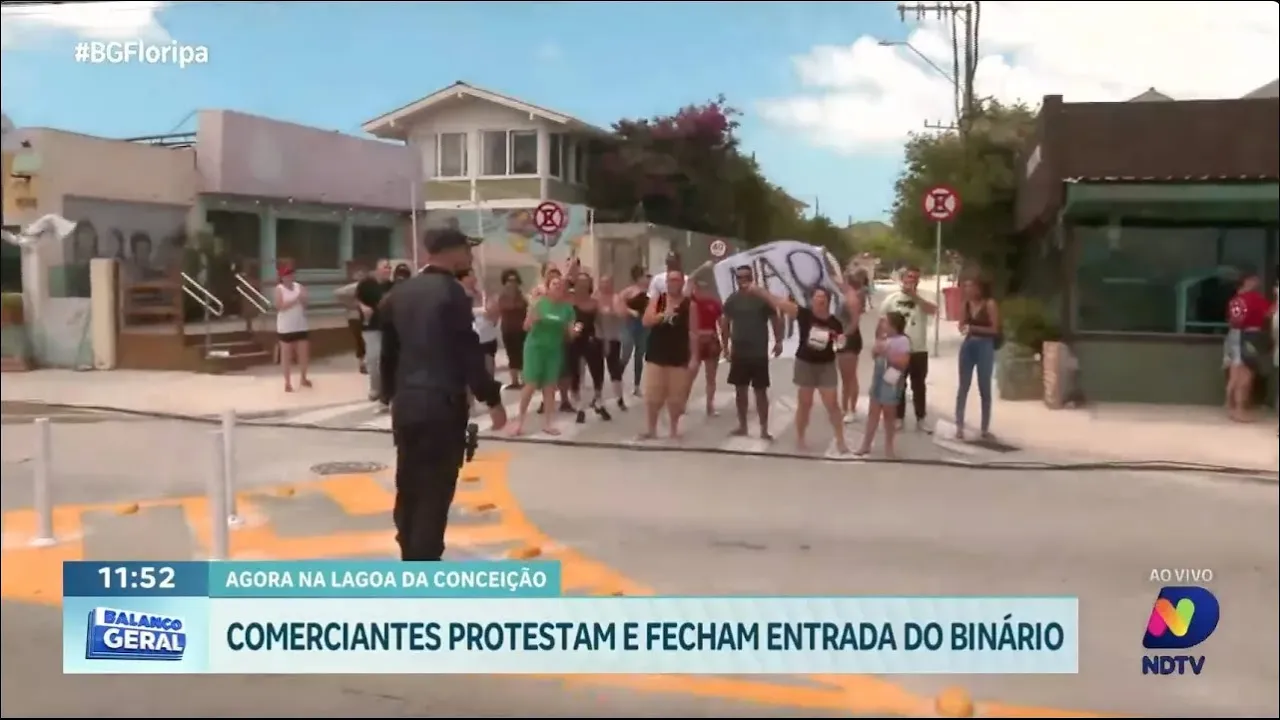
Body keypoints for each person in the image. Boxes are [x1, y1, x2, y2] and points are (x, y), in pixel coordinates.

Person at [378, 227, 504, 562]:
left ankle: (409, 554)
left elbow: (388, 354)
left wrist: (389, 394)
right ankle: (424, 565)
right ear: (451, 251)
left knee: (409, 484)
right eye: (467, 249)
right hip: (441, 407)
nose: (470, 255)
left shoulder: (400, 293)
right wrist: (491, 398)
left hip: (406, 404)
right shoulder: (452, 294)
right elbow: (467, 352)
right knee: (435, 491)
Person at [749, 284, 850, 455]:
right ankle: (800, 437)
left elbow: (840, 345)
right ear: (812, 300)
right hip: (805, 364)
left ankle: (841, 440)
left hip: (826, 366)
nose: (820, 300)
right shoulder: (804, 315)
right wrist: (759, 291)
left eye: (823, 297)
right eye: (817, 297)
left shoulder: (835, 323)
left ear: (828, 301)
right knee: (805, 403)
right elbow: (779, 302)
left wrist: (841, 340)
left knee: (832, 405)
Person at [511, 273, 577, 436]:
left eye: (561, 285)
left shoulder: (567, 309)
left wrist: (576, 331)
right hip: (535, 348)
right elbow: (526, 327)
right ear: (548, 287)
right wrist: (533, 317)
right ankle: (519, 423)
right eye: (555, 284)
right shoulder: (539, 303)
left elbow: (570, 334)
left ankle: (548, 424)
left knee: (550, 386)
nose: (558, 287)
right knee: (531, 385)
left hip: (554, 349)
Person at [722, 265, 783, 439]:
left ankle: (764, 429)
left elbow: (775, 318)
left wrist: (778, 341)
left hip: (758, 352)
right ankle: (743, 426)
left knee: (760, 391)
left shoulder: (762, 298)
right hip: (739, 352)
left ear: (752, 277)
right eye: (740, 277)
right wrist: (725, 347)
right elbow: (725, 323)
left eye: (747, 277)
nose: (743, 280)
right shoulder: (732, 300)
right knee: (740, 391)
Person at [639, 270, 699, 440]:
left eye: (676, 280)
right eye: (670, 280)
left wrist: (694, 357)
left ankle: (673, 429)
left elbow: (693, 332)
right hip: (657, 353)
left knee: (676, 397)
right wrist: (663, 315)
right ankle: (651, 429)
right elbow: (646, 321)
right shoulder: (659, 300)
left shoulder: (690, 305)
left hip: (679, 355)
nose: (673, 283)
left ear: (682, 282)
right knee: (653, 395)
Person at [879, 266, 936, 431]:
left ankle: (921, 418)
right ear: (902, 279)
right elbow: (882, 323)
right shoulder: (891, 299)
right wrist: (881, 344)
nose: (911, 280)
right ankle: (899, 417)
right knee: (898, 384)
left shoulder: (924, 297)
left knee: (919, 386)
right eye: (909, 277)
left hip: (918, 349)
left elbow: (932, 311)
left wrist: (914, 296)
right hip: (897, 350)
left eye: (915, 277)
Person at [855, 312, 912, 459]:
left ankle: (889, 448)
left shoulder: (903, 341)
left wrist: (887, 353)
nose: (882, 324)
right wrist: (876, 350)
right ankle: (866, 445)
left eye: (885, 322)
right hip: (878, 377)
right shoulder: (883, 338)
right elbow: (874, 355)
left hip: (891, 379)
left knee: (888, 415)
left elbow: (904, 362)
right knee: (873, 413)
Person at [954, 278, 1001, 441]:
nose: (968, 289)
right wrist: (963, 327)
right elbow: (961, 324)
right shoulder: (966, 305)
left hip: (985, 346)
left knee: (984, 387)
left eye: (971, 286)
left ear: (980, 288)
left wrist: (973, 328)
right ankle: (959, 426)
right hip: (968, 345)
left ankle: (984, 428)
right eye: (965, 286)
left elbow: (994, 329)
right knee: (963, 387)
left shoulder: (989, 304)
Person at [1224, 270, 1269, 422]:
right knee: (1246, 375)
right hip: (1248, 336)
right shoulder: (1254, 298)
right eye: (1255, 280)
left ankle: (1231, 406)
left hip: (1236, 335)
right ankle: (1239, 409)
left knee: (1235, 373)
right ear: (1248, 281)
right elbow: (1269, 313)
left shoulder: (1235, 300)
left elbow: (1233, 321)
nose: (1258, 283)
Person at [567, 274, 612, 422]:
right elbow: (567, 320)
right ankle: (579, 406)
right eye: (579, 283)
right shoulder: (569, 301)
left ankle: (598, 401)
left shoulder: (594, 302)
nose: (582, 286)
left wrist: (605, 342)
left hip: (591, 340)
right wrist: (571, 331)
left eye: (586, 283)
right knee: (576, 374)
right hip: (573, 339)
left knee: (597, 371)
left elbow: (600, 323)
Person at [356, 260, 393, 407]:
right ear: (377, 269)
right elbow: (356, 298)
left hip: (388, 326)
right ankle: (375, 388)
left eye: (389, 267)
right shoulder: (367, 284)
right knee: (374, 358)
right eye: (385, 267)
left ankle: (386, 390)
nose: (388, 270)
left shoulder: (392, 286)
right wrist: (363, 307)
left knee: (387, 360)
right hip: (370, 326)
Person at [836, 269, 869, 422]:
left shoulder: (852, 299)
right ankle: (844, 408)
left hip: (849, 338)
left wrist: (842, 337)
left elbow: (855, 323)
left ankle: (851, 409)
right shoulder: (843, 297)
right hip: (843, 338)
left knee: (850, 377)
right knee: (845, 377)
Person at [690, 279, 726, 416]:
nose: (702, 292)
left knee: (711, 377)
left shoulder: (713, 303)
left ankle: (710, 406)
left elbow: (721, 322)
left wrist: (723, 341)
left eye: (705, 289)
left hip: (711, 340)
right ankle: (682, 403)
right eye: (699, 289)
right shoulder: (690, 303)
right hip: (696, 341)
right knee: (690, 375)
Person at [274, 261, 311, 392]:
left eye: (291, 274)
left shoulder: (299, 287)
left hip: (300, 324)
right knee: (286, 355)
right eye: (287, 275)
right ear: (282, 277)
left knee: (303, 353)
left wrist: (303, 299)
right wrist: (295, 300)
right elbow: (280, 306)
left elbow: (306, 304)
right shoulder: (279, 289)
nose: (289, 277)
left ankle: (303, 377)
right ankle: (287, 382)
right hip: (286, 327)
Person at [458, 267, 500, 380]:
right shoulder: (457, 297)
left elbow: (493, 316)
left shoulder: (483, 295)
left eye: (474, 275)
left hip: (487, 339)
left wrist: (492, 311)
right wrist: (480, 311)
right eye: (469, 276)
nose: (473, 278)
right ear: (461, 279)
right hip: (468, 341)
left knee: (489, 373)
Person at [618, 266, 652, 395]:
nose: (648, 279)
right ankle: (618, 377)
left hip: (644, 325)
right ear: (639, 277)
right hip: (630, 324)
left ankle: (637, 386)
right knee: (626, 352)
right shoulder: (629, 291)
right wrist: (630, 311)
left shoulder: (650, 292)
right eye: (646, 276)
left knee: (639, 355)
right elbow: (619, 302)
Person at [596, 275, 628, 411]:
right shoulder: (596, 298)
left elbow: (622, 314)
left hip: (613, 338)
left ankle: (619, 398)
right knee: (597, 369)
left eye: (607, 283)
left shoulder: (616, 298)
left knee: (614, 369)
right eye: (602, 283)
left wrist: (613, 309)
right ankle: (597, 398)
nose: (604, 286)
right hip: (598, 338)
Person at [497, 269, 529, 390]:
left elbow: (525, 307)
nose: (512, 283)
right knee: (512, 354)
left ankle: (525, 380)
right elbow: (504, 308)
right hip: (508, 329)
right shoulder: (502, 296)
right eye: (509, 280)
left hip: (522, 329)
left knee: (523, 354)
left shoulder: (522, 295)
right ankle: (514, 381)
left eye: (514, 280)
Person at [337, 268, 368, 374]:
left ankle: (364, 362)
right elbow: (338, 293)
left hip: (364, 316)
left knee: (364, 340)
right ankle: (362, 363)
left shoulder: (368, 287)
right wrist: (351, 303)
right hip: (355, 316)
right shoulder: (354, 287)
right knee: (361, 340)